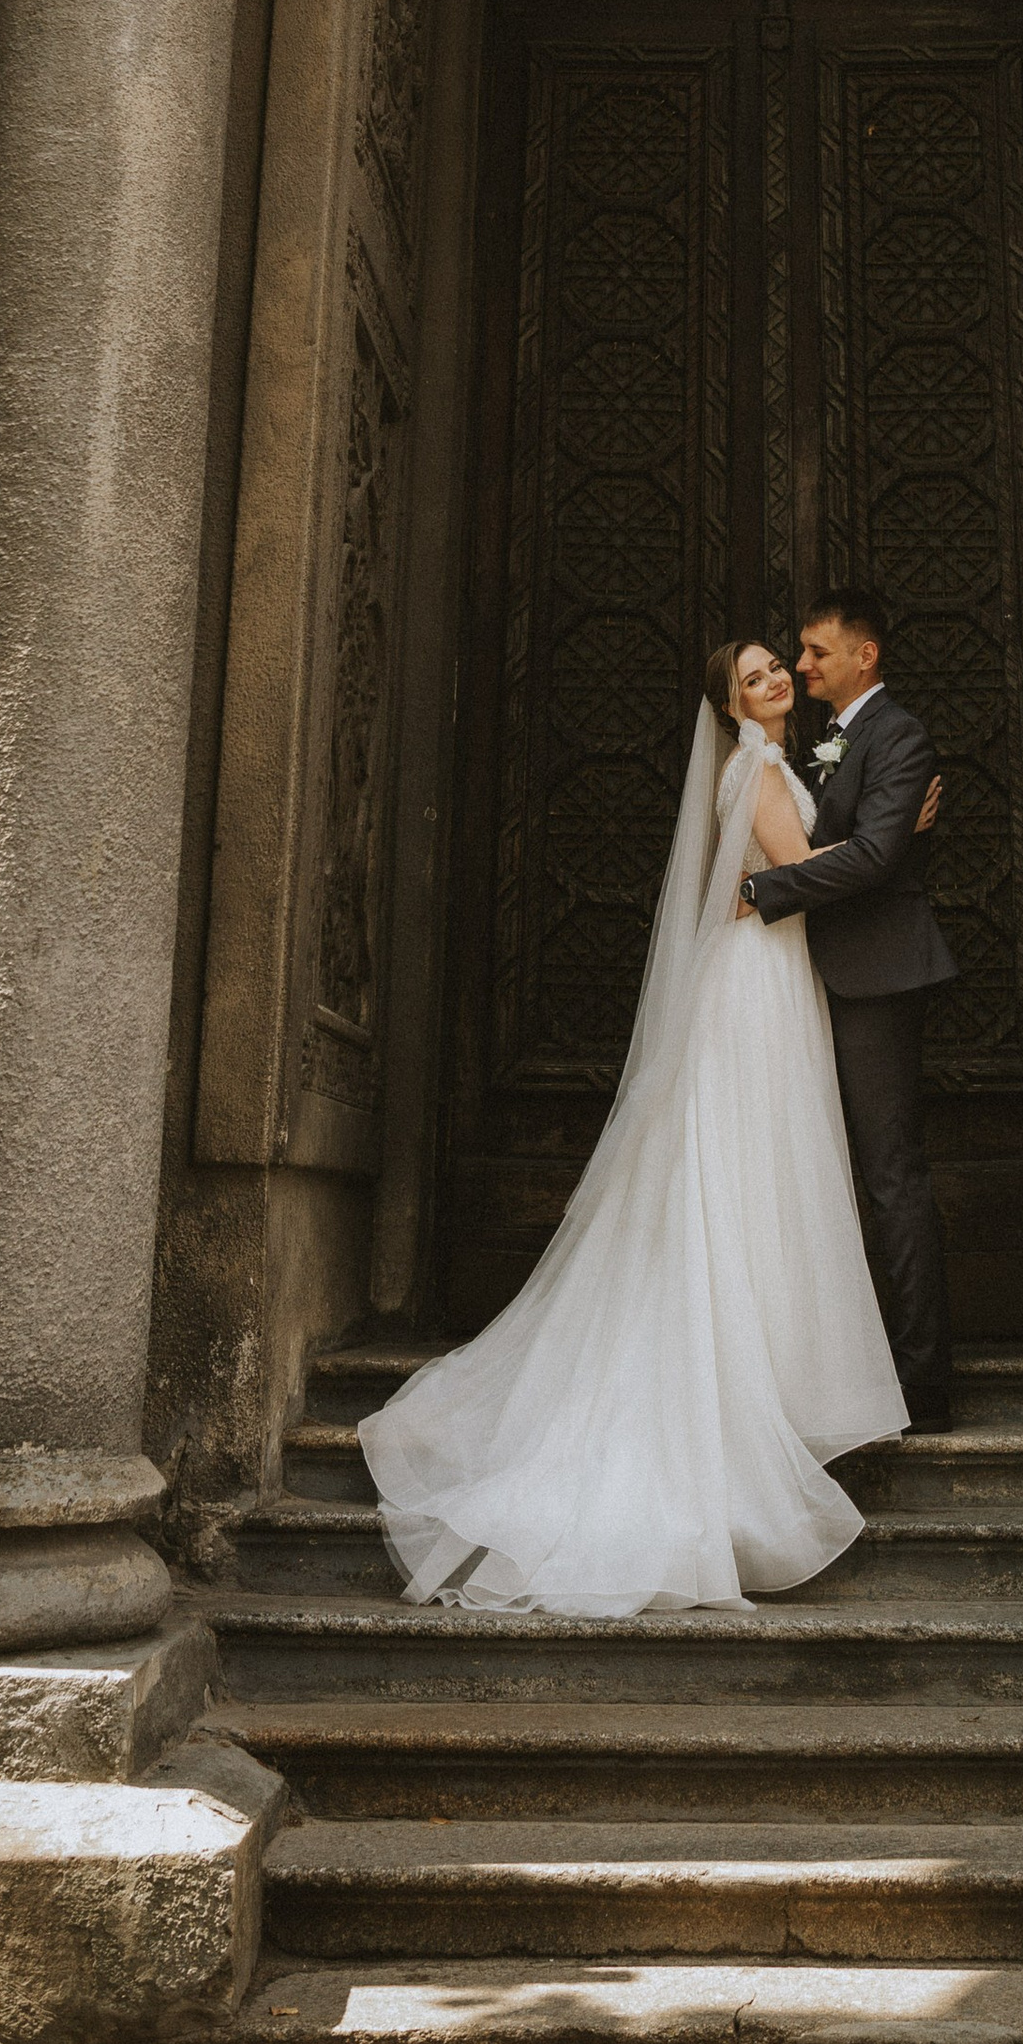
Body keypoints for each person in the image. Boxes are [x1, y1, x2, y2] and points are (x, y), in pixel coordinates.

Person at [356, 641, 937, 1616]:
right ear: (731, 709)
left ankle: (776, 1384)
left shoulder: (781, 766)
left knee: (766, 1181)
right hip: (753, 995)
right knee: (752, 1178)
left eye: (776, 668)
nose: (774, 681)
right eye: (753, 678)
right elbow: (801, 870)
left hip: (775, 982)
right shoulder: (756, 769)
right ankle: (737, 1404)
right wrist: (896, 832)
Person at [738, 586, 957, 1430]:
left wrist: (766, 888)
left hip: (878, 977)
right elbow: (865, 840)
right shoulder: (835, 740)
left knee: (891, 1175)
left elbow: (865, 859)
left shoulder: (896, 733)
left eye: (815, 652)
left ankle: (922, 1385)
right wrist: (899, 835)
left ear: (864, 656)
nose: (800, 665)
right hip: (818, 977)